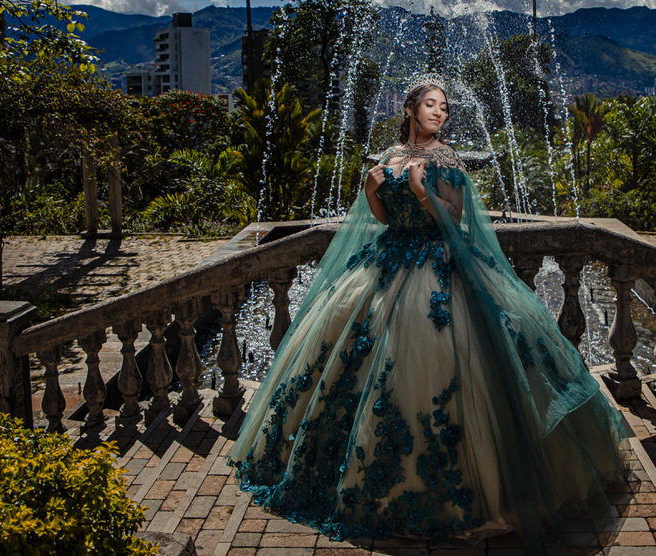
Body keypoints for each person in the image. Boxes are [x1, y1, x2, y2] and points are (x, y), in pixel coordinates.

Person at [229, 79, 627, 547]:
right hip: (384, 264)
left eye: (444, 107)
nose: (440, 113)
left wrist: (421, 192)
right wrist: (373, 190)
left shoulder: (446, 158)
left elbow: (454, 221)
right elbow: (382, 219)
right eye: (432, 105)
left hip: (438, 271)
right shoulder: (390, 155)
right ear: (410, 109)